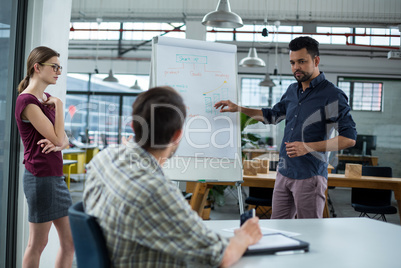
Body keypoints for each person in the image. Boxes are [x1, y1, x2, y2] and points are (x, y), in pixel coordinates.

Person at [83, 86, 262, 267]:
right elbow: (222, 256)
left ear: (133, 125)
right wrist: (244, 236)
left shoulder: (103, 159)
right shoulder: (154, 190)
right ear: (177, 135)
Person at [215, 36, 357, 219]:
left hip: (309, 175)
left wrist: (308, 147)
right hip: (284, 173)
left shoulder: (332, 94)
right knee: (278, 228)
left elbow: (349, 138)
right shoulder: (292, 90)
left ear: (316, 61)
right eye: (292, 62)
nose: (296, 67)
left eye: (301, 62)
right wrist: (239, 108)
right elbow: (271, 116)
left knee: (309, 231)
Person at [15, 46, 74, 268]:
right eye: (54, 66)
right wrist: (59, 105)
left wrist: (60, 143)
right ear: (37, 67)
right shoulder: (28, 102)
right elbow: (60, 140)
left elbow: (64, 141)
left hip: (54, 177)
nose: (58, 71)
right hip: (40, 177)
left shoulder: (44, 98)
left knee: (69, 243)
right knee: (37, 244)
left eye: (60, 67)